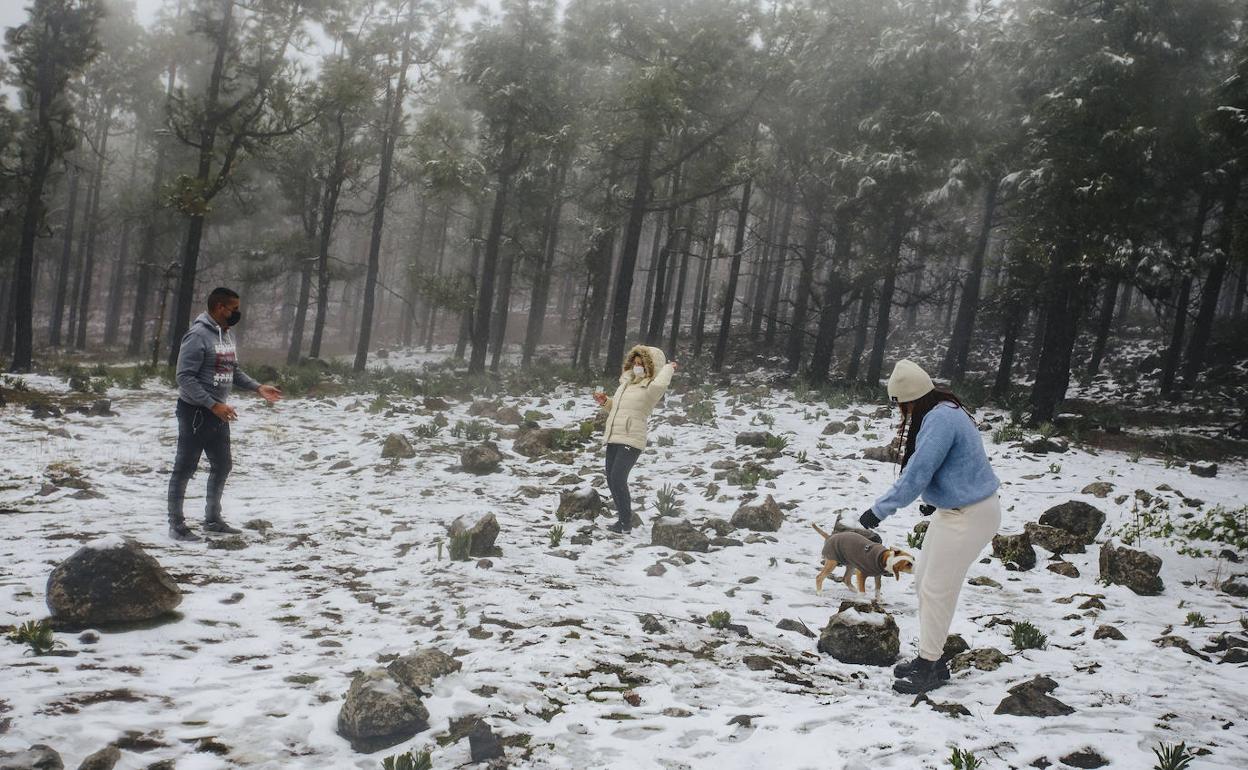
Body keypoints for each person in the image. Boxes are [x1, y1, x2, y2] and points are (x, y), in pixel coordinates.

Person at [858, 359, 1000, 694]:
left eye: (902, 405)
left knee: (938, 589)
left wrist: (877, 512)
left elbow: (919, 471)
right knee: (924, 581)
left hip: (970, 514)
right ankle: (930, 660)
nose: (902, 413)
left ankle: (929, 666)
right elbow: (953, 465)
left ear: (912, 398)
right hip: (955, 509)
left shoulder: (940, 418)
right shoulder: (943, 411)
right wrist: (934, 496)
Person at [167, 287, 282, 542]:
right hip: (195, 412)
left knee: (222, 465)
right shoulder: (197, 335)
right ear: (220, 307)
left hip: (219, 413)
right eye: (234, 309)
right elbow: (184, 378)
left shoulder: (226, 336)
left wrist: (258, 387)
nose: (237, 313)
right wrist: (211, 404)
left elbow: (233, 370)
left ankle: (212, 519)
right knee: (185, 468)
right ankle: (176, 525)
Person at [593, 345, 677, 534]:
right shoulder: (626, 385)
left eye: (642, 364)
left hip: (632, 439)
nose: (637, 366)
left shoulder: (650, 388)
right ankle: (622, 520)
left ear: (650, 366)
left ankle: (625, 523)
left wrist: (667, 368)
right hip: (615, 436)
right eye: (635, 363)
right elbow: (617, 409)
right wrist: (605, 402)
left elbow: (660, 384)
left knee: (618, 478)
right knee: (611, 479)